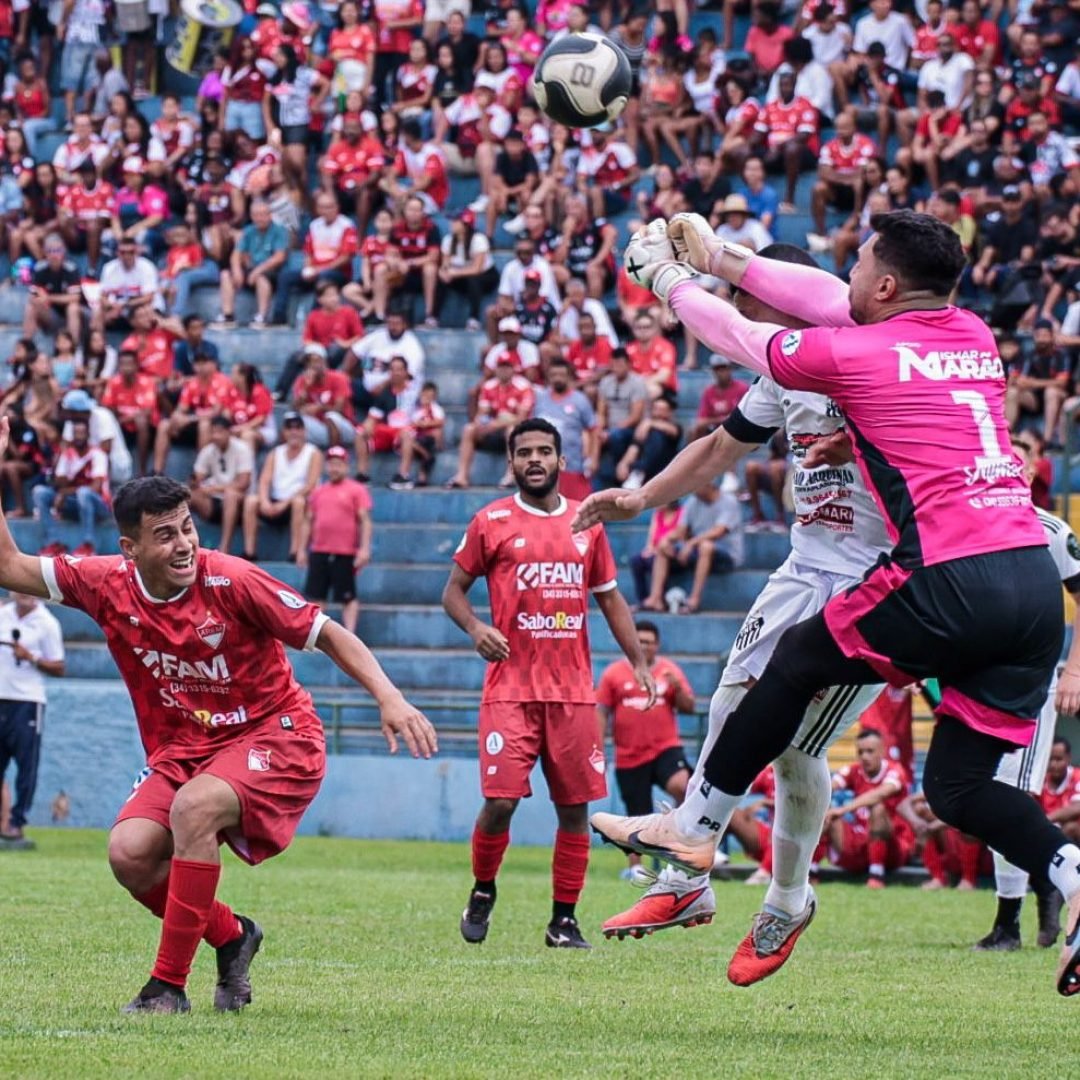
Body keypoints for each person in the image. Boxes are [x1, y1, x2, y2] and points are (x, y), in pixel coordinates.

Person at [586, 210, 1080, 998]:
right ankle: (1072, 872)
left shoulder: (848, 355)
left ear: (884, 285)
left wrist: (672, 279)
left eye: (860, 267)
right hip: (1020, 587)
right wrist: (725, 258)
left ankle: (728, 857)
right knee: (955, 787)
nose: (841, 280)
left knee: (797, 676)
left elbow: (754, 337)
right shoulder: (970, 335)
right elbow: (816, 309)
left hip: (931, 574)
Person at [0, 422, 436, 1012]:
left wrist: (390, 697)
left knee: (194, 807)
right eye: (164, 535)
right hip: (188, 748)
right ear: (129, 550)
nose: (183, 544)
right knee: (129, 854)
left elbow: (328, 632)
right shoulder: (104, 583)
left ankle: (167, 988)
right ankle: (234, 938)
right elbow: (8, 565)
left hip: (277, 734)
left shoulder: (231, 578)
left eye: (187, 528)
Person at [443, 418, 654, 949]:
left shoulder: (588, 525)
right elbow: (453, 593)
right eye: (524, 453)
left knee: (574, 811)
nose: (534, 460)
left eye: (544, 452)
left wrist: (639, 663)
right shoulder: (490, 521)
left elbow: (610, 599)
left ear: (562, 462)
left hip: (573, 693)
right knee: (501, 802)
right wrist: (475, 628)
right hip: (510, 689)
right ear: (511, 463)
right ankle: (484, 887)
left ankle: (563, 920)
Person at [973, 439, 1080, 952]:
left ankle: (1009, 923)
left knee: (1011, 791)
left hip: (1031, 683)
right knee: (978, 790)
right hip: (975, 677)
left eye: (1019, 455)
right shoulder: (968, 523)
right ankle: (1044, 883)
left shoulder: (1051, 531)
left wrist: (1074, 673)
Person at [597, 620, 695, 884]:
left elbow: (689, 706)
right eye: (638, 641)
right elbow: (602, 711)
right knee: (635, 812)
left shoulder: (669, 670)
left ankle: (681, 848)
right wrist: (598, 746)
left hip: (665, 748)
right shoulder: (613, 674)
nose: (643, 646)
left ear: (657, 645)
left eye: (648, 642)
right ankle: (636, 866)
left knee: (683, 786)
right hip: (630, 754)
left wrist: (677, 687)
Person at [0, 590, 65, 843]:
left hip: (28, 701)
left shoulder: (47, 624)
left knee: (27, 767)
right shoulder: (3, 615)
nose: (25, 593)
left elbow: (59, 667)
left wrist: (32, 657)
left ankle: (17, 822)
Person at [826, 728, 915, 887]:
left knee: (878, 809)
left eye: (870, 751)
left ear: (882, 751)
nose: (864, 757)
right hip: (862, 840)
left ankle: (876, 875)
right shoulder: (854, 770)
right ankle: (810, 872)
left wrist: (843, 809)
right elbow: (829, 787)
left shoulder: (895, 771)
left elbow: (879, 794)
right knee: (825, 814)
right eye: (860, 752)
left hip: (893, 845)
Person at [297, 445, 372, 635]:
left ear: (346, 466)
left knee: (348, 596)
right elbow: (308, 521)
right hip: (320, 550)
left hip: (344, 552)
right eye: (331, 464)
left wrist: (364, 549)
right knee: (317, 596)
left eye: (338, 464)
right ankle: (317, 637)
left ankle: (351, 635)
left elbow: (364, 520)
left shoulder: (356, 490)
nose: (334, 468)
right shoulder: (318, 492)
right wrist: (301, 549)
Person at [639, 481, 742, 614]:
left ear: (709, 483)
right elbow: (681, 530)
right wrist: (667, 539)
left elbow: (719, 531)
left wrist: (691, 543)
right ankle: (655, 598)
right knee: (663, 546)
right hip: (696, 551)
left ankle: (694, 600)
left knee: (706, 546)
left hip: (726, 554)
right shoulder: (692, 502)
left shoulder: (729, 502)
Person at [242, 413, 323, 562]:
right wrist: (265, 501)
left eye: (298, 428)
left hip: (297, 502)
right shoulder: (275, 453)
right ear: (284, 432)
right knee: (251, 501)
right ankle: (249, 551)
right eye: (290, 428)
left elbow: (310, 484)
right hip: (276, 501)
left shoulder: (313, 452)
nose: (294, 432)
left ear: (304, 431)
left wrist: (284, 504)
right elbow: (264, 480)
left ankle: (294, 551)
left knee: (298, 502)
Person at [33, 417, 110, 558]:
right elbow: (58, 482)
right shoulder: (68, 454)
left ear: (88, 435)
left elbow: (95, 487)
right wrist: (60, 459)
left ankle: (88, 545)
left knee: (83, 492)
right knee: (40, 492)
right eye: (76, 433)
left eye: (82, 433)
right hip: (74, 504)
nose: (79, 437)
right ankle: (54, 543)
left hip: (99, 506)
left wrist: (65, 492)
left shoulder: (98, 454)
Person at [530, 359, 596, 501]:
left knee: (576, 509)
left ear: (569, 377)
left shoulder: (580, 400)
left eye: (561, 374)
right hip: (544, 466)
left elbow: (593, 429)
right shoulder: (541, 399)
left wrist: (593, 458)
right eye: (554, 375)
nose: (557, 378)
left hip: (572, 465)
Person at [188, 417, 254, 557]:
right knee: (187, 495)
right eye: (213, 432)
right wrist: (195, 481)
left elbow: (244, 483)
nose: (216, 436)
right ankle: (189, 544)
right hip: (214, 502)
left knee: (231, 494)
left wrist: (216, 488)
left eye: (219, 432)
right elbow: (198, 476)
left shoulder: (242, 449)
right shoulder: (209, 450)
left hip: (240, 502)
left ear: (229, 432)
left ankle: (224, 547)